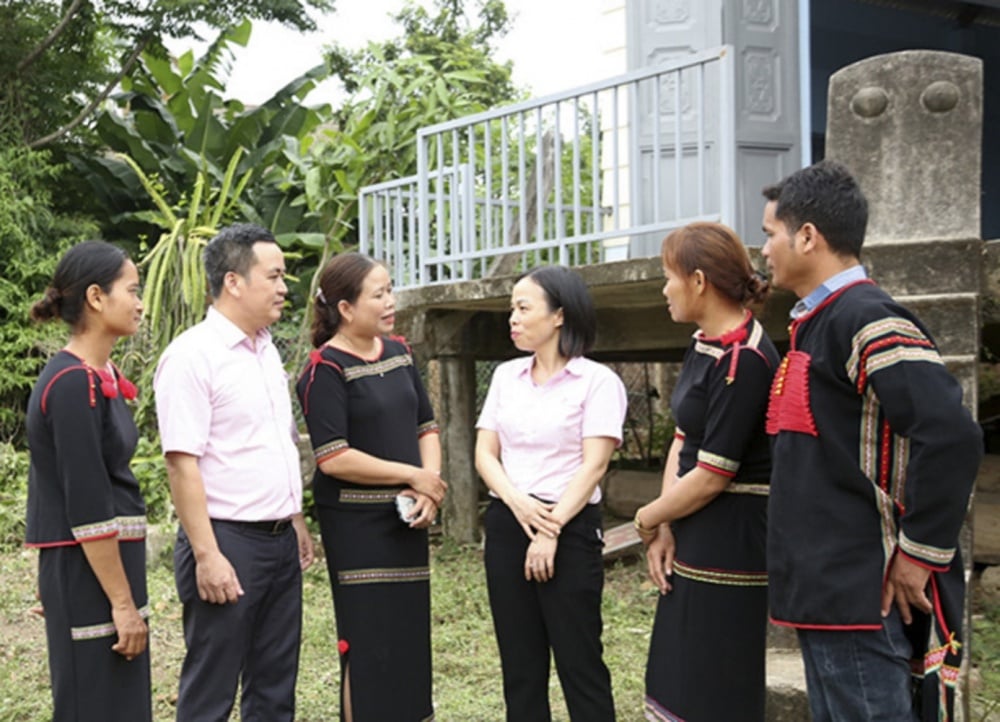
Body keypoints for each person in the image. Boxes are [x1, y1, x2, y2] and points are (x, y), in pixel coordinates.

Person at [761, 160, 982, 721]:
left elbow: (952, 435)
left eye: (770, 234)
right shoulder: (817, 322)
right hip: (827, 591)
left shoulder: (868, 318)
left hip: (863, 589)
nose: (763, 250)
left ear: (807, 236)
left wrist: (917, 552)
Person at [154, 223, 314, 721]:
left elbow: (274, 443)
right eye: (274, 275)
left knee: (274, 685)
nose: (285, 287)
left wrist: (295, 519)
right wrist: (207, 555)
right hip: (226, 542)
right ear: (234, 282)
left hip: (278, 542)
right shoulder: (192, 356)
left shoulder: (265, 350)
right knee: (212, 686)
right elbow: (182, 464)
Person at [632, 222, 778, 721]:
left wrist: (646, 517)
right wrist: (666, 523)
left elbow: (714, 472)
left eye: (668, 276)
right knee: (676, 670)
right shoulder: (704, 343)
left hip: (732, 537)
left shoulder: (747, 359)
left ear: (698, 281)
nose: (664, 288)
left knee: (715, 676)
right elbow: (684, 437)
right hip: (693, 525)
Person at [296, 251, 447, 722]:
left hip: (407, 519)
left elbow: (427, 426)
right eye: (378, 294)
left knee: (407, 637)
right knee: (367, 642)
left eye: (389, 290)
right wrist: (412, 476)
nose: (390, 302)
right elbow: (334, 457)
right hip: (358, 528)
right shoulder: (324, 369)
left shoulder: (400, 353)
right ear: (345, 308)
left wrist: (428, 488)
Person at [475, 265, 626, 722]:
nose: (513, 319)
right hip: (508, 521)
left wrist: (551, 526)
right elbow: (485, 454)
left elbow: (594, 464)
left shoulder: (597, 382)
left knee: (580, 662)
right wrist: (519, 504)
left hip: (571, 525)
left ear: (559, 315)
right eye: (511, 309)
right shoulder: (506, 376)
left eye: (524, 308)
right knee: (520, 666)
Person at [25, 241, 151, 721]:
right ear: (96, 297)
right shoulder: (73, 384)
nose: (140, 302)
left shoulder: (101, 376)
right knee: (93, 704)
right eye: (132, 290)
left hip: (107, 568)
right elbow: (86, 502)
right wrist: (122, 604)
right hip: (89, 572)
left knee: (121, 703)